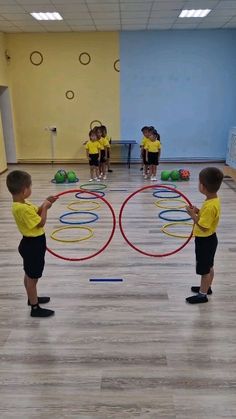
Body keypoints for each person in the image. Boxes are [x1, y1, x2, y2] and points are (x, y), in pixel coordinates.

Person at [6, 170, 57, 317]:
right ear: (24, 190)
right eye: (30, 186)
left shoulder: (22, 203)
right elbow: (40, 222)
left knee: (29, 275)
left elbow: (37, 212)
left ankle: (31, 298)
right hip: (33, 245)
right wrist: (46, 208)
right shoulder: (21, 208)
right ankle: (35, 308)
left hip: (30, 244)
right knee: (32, 278)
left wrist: (44, 203)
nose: (31, 188)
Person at [185, 167, 223, 304]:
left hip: (205, 240)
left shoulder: (209, 206)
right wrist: (197, 211)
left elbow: (203, 225)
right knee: (209, 266)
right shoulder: (213, 200)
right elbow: (208, 217)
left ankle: (202, 295)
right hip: (210, 239)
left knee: (204, 269)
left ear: (203, 186)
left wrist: (192, 215)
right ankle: (207, 288)